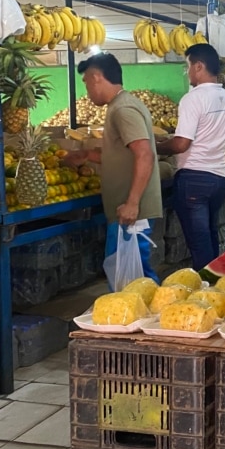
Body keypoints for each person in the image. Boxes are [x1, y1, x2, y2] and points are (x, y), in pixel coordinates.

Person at [65, 53, 161, 282]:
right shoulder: (121, 105)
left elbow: (144, 154)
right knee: (132, 279)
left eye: (86, 82)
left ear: (97, 77)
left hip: (131, 215)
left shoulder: (123, 109)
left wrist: (132, 203)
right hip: (126, 212)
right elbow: (125, 155)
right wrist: (88, 155)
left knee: (133, 282)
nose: (86, 90)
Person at [157, 43, 225, 270]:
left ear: (199, 66)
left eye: (188, 66)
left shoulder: (192, 98)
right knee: (210, 236)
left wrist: (156, 146)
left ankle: (208, 294)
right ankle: (218, 284)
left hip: (194, 178)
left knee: (200, 244)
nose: (187, 72)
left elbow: (182, 143)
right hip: (219, 179)